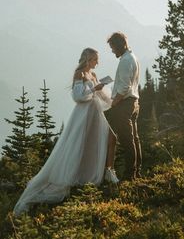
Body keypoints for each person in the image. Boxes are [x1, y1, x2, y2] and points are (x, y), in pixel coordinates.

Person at [13, 48, 118, 216]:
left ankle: (98, 175)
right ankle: (72, 178)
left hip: (95, 113)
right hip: (83, 114)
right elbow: (78, 97)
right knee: (78, 144)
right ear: (88, 59)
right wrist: (94, 89)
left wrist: (114, 101)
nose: (97, 63)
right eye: (95, 60)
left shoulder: (93, 75)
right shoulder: (79, 74)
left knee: (96, 142)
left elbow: (101, 96)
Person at [105, 32, 142, 180]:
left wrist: (114, 103)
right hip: (133, 103)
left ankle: (129, 176)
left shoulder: (126, 60)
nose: (112, 50)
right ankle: (137, 172)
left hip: (125, 105)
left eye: (113, 47)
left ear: (119, 45)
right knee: (134, 139)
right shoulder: (132, 57)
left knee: (127, 141)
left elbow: (124, 87)